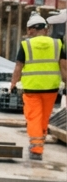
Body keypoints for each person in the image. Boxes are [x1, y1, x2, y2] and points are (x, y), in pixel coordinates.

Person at [9, 13, 67, 161]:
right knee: (43, 118)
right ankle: (39, 143)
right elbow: (64, 67)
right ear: (45, 29)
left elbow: (18, 67)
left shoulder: (26, 45)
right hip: (51, 88)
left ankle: (36, 149)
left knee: (34, 117)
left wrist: (13, 83)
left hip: (32, 89)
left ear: (30, 30)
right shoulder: (57, 44)